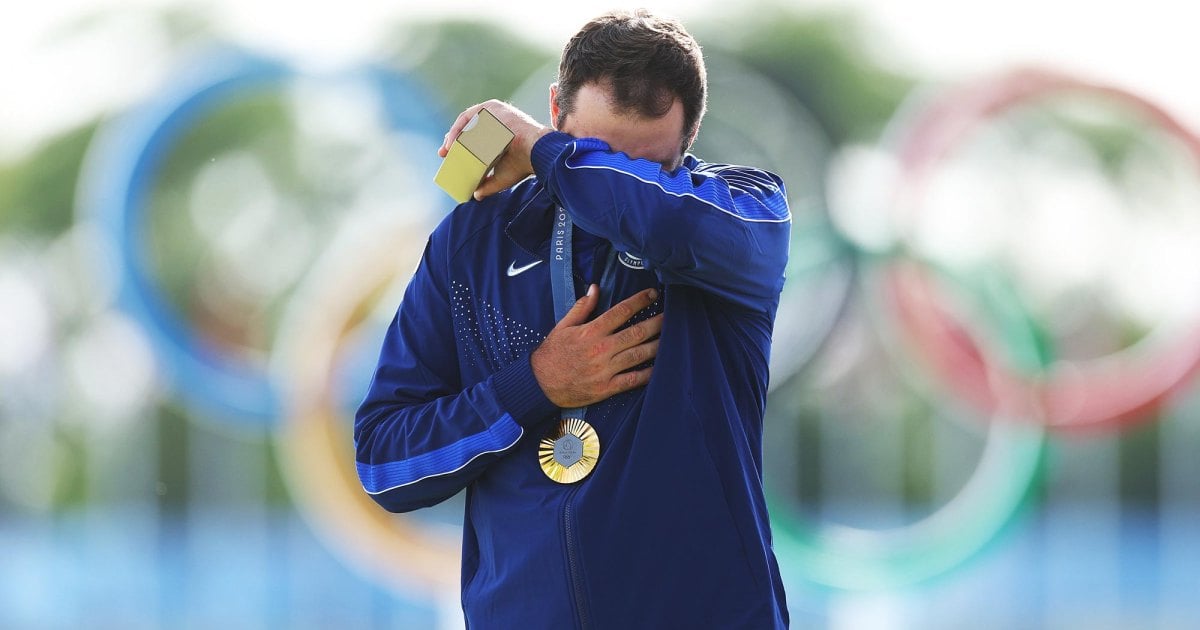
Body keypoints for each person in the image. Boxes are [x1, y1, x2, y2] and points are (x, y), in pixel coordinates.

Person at [355, 9, 791, 628]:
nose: (612, 182)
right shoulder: (471, 243)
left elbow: (663, 218)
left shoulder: (742, 218)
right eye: (594, 152)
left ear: (690, 138)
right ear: (557, 107)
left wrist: (545, 152)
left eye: (647, 165)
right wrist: (532, 387)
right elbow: (384, 463)